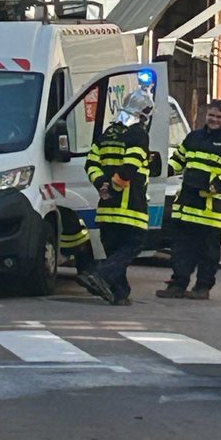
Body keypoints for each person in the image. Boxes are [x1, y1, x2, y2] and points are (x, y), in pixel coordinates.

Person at [157, 98, 221, 300]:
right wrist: (160, 171)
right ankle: (178, 285)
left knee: (208, 254)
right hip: (186, 207)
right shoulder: (193, 137)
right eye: (211, 115)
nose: (214, 120)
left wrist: (216, 185)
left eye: (219, 117)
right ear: (206, 115)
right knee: (181, 250)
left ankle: (202, 288)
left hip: (210, 210)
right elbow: (178, 161)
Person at [78, 88, 153, 306]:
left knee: (114, 250)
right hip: (130, 207)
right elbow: (131, 165)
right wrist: (114, 187)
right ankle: (99, 274)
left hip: (106, 208)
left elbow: (91, 163)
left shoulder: (107, 134)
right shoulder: (138, 134)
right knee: (132, 247)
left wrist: (101, 185)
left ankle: (120, 294)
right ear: (143, 113)